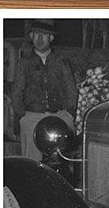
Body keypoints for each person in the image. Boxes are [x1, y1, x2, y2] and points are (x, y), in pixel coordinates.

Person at [10, 19, 78, 161]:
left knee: (66, 151)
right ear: (31, 37)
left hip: (59, 114)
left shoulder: (61, 61)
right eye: (36, 35)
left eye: (44, 35)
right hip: (33, 115)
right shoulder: (24, 63)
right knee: (31, 159)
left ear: (51, 38)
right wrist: (22, 116)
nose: (39, 39)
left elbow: (70, 88)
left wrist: (70, 113)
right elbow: (16, 92)